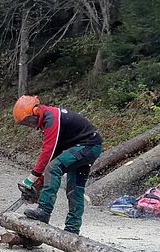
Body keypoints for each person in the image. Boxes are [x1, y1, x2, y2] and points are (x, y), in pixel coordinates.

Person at [13, 95, 103, 234]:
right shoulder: (49, 120)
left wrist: (32, 178)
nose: (30, 123)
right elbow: (56, 150)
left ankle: (44, 210)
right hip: (87, 146)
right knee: (75, 188)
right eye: (26, 122)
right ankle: (72, 229)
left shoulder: (52, 118)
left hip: (87, 146)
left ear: (36, 111)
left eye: (29, 119)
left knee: (54, 168)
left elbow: (48, 151)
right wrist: (42, 179)